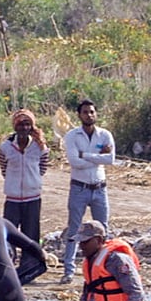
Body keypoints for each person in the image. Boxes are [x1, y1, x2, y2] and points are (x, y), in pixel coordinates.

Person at [61, 99, 115, 284]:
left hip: (100, 188)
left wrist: (86, 155)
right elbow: (74, 162)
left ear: (96, 113)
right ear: (79, 115)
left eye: (92, 112)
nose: (89, 115)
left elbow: (110, 159)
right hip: (79, 187)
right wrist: (98, 158)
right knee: (74, 229)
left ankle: (104, 267)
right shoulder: (72, 136)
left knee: (102, 229)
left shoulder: (105, 135)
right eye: (85, 112)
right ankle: (68, 270)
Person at [0, 109, 51, 254]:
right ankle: (9, 266)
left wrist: (31, 181)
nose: (24, 128)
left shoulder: (40, 147)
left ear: (32, 126)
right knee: (9, 235)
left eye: (27, 124)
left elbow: (42, 169)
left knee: (31, 235)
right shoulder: (5, 147)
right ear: (14, 126)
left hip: (33, 198)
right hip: (12, 199)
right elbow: (4, 170)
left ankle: (30, 268)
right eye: (20, 124)